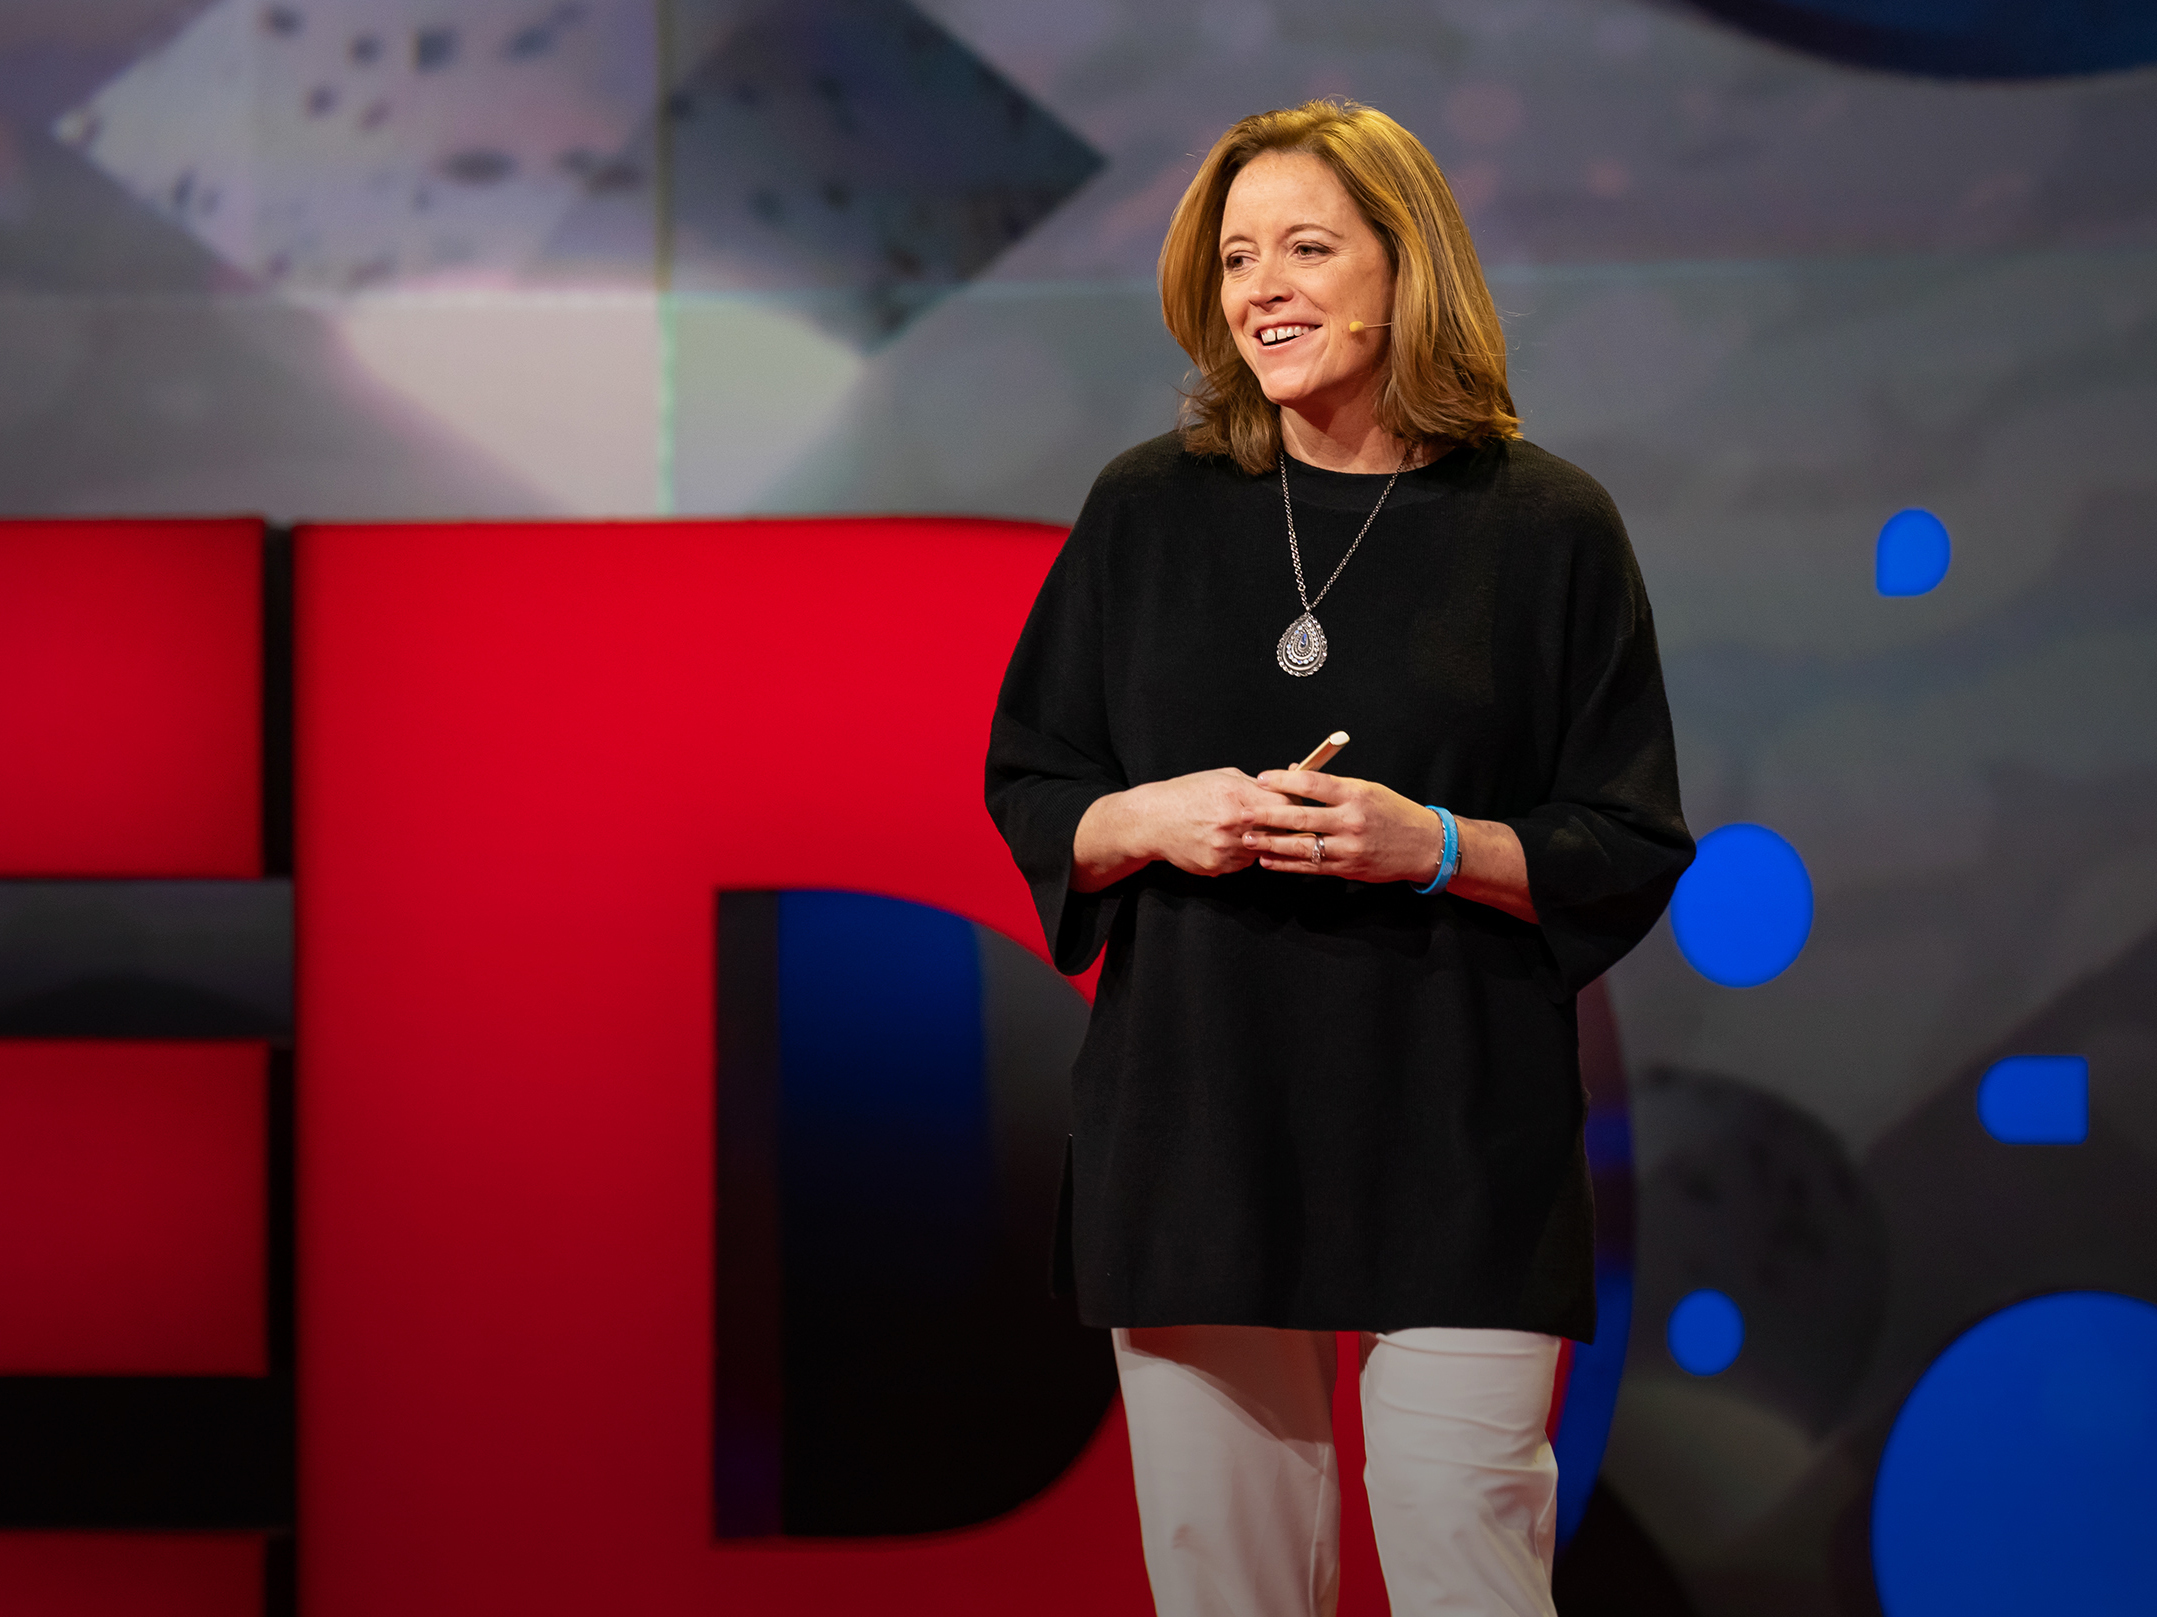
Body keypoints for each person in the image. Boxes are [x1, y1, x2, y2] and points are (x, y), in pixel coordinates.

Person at [984, 99, 1692, 1617]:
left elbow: (1626, 837)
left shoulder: (1546, 522)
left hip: (1456, 1137)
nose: (1262, 289)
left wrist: (1430, 844)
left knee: (1467, 1573)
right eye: (1236, 257)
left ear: (1404, 265)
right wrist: (1150, 818)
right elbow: (1035, 778)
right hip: (1197, 1128)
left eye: (1306, 246)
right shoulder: (1145, 511)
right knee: (1225, 1589)